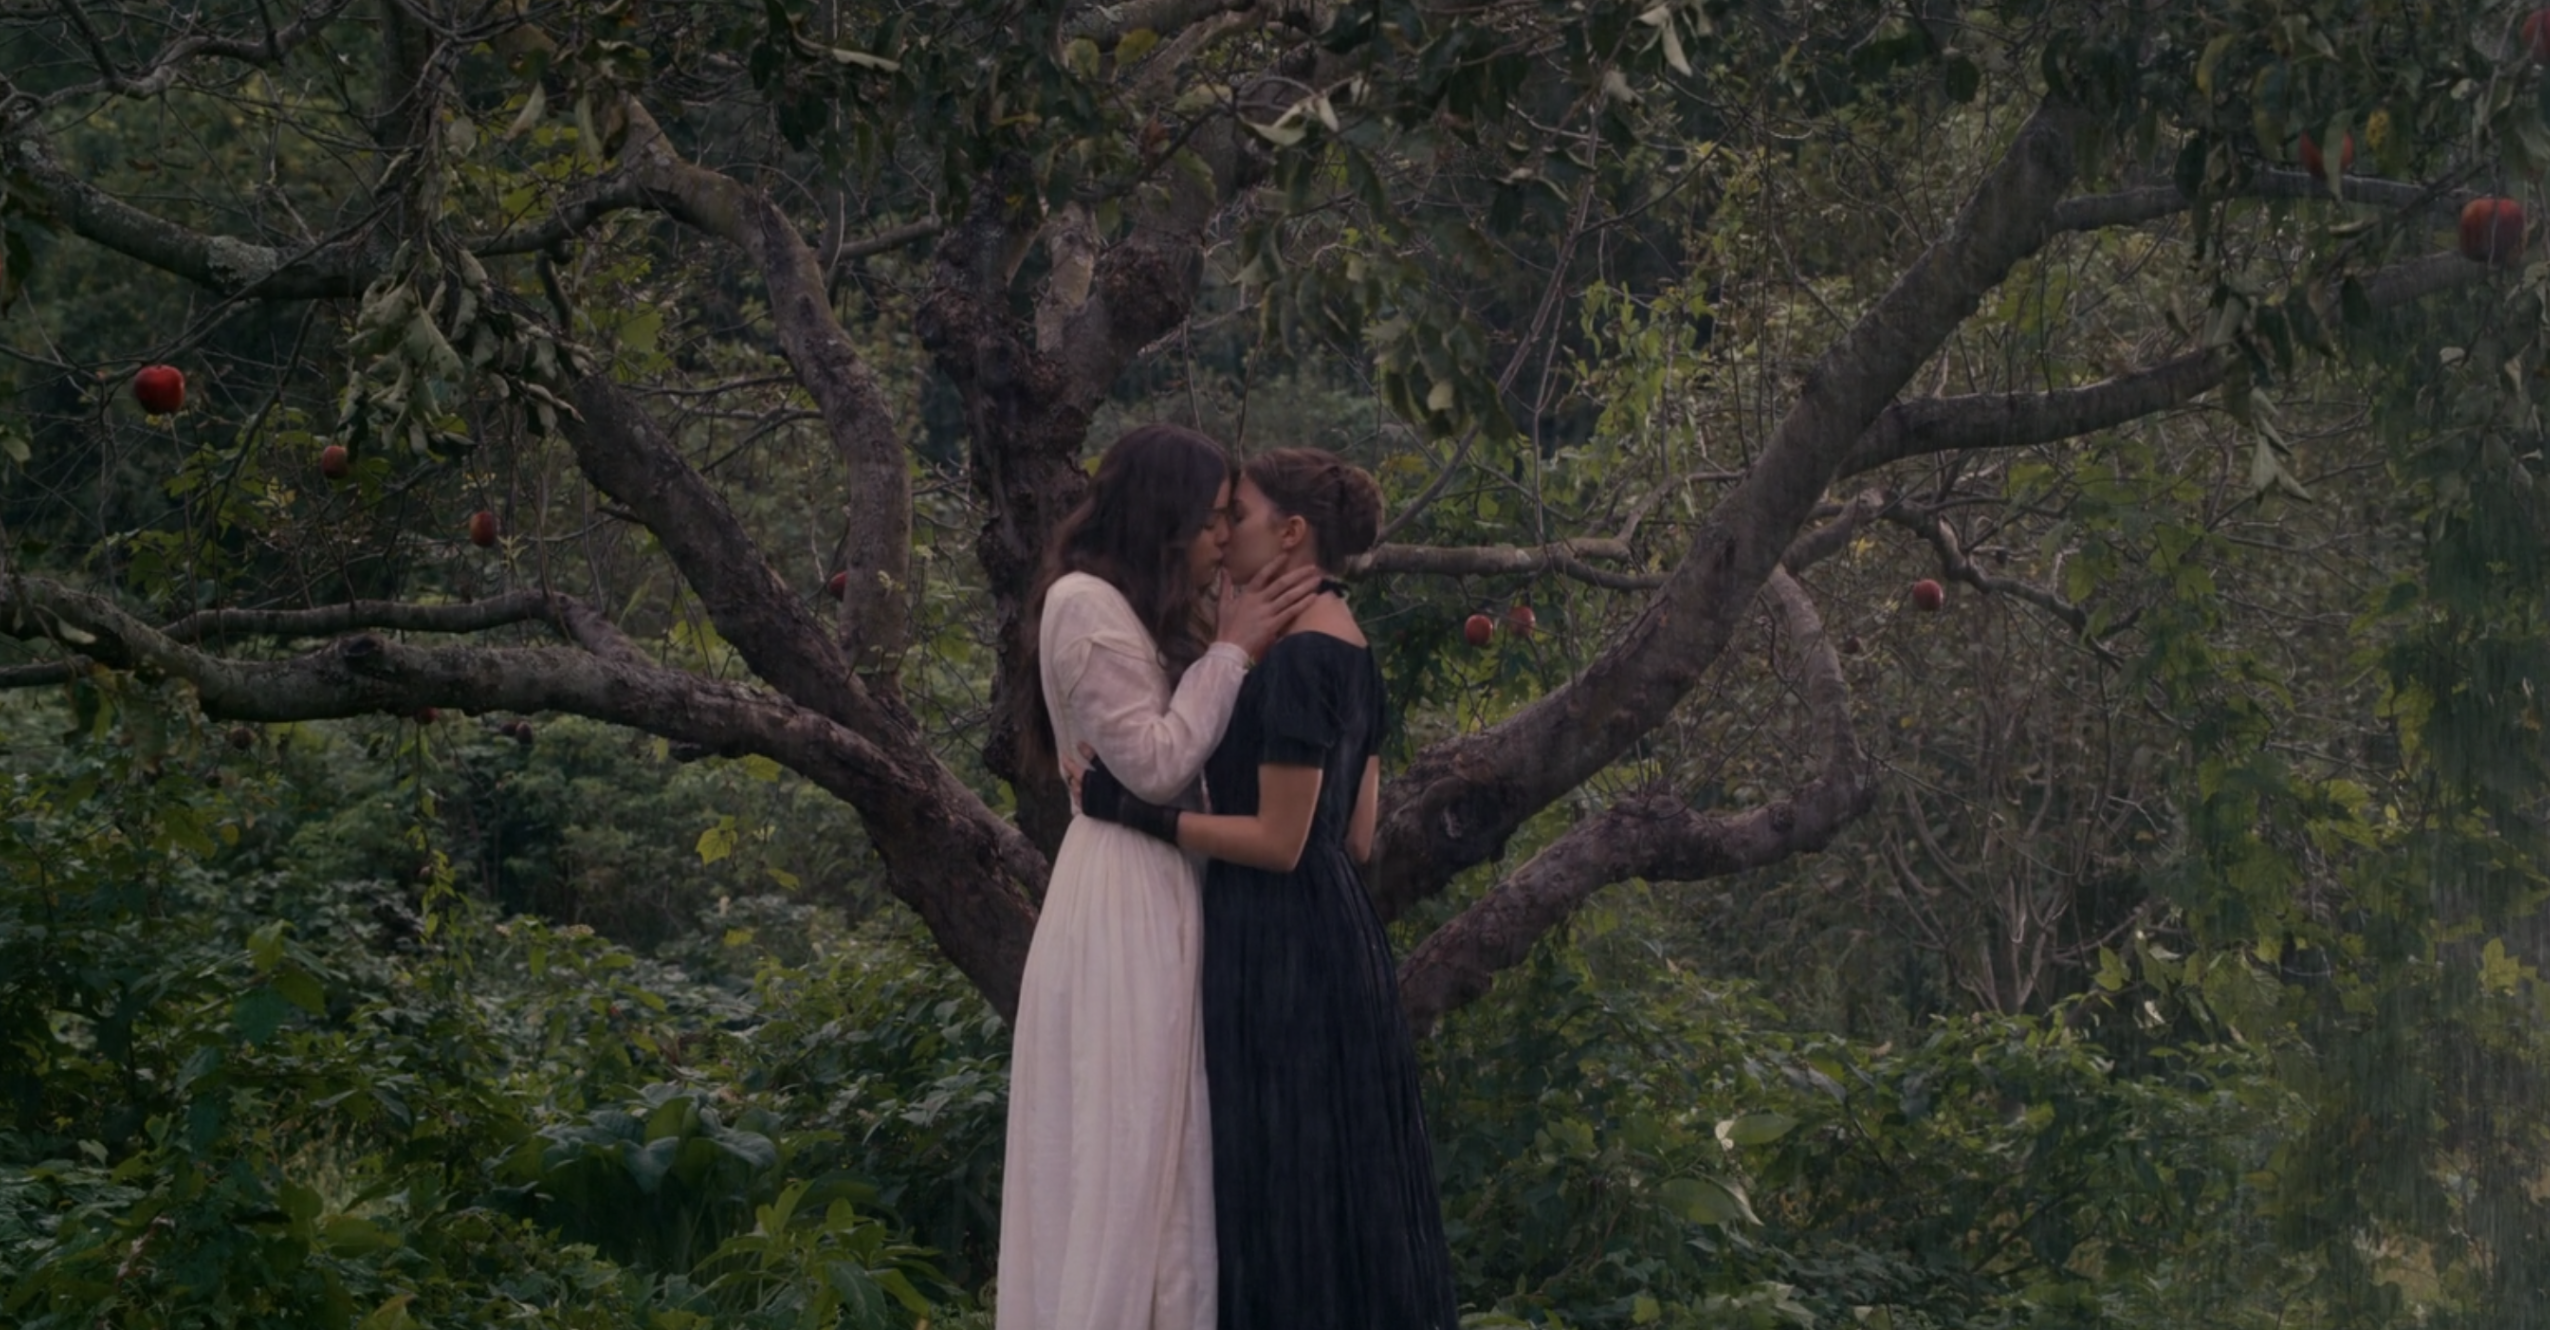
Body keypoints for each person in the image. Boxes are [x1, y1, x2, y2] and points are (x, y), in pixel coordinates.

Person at [1077, 448, 1462, 1330]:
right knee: (1335, 1188)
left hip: (1278, 942)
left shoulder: (1293, 665)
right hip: (1337, 940)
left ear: (1291, 534)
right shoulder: (1350, 646)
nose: (1221, 534)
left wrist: (1134, 811)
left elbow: (1281, 843)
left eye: (1237, 516)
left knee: (1282, 1189)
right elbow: (1354, 838)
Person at [997, 425, 1322, 1330]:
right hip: (1122, 889)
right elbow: (1155, 764)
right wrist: (1233, 651)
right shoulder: (1084, 603)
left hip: (1160, 881)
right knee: (1129, 1130)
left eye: (1231, 518)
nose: (1225, 536)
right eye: (1213, 518)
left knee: (1161, 1136)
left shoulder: (1126, 609)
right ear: (1166, 515)